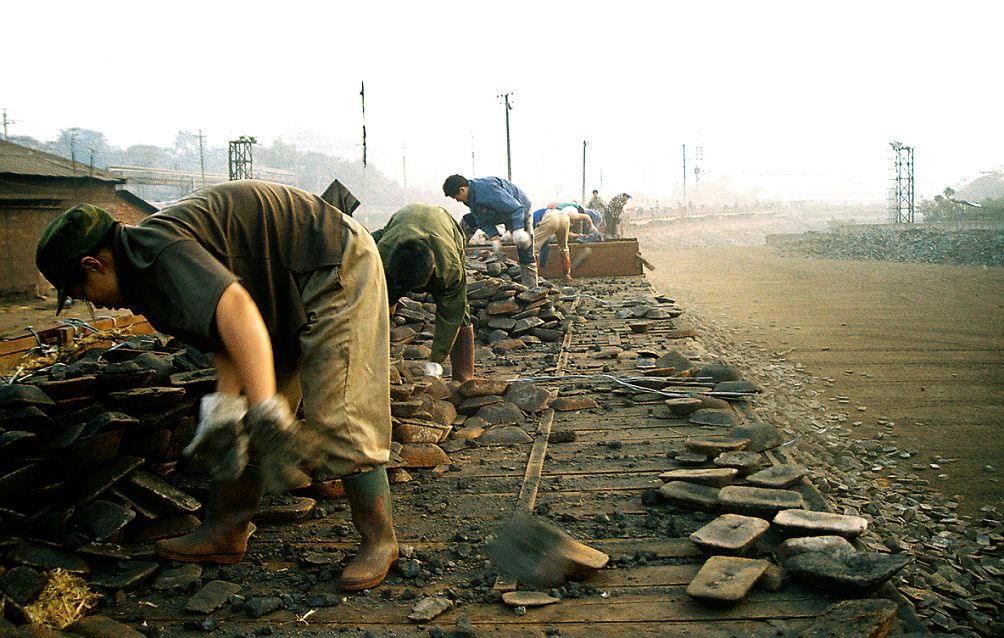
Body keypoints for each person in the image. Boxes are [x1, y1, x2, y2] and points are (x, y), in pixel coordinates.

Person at [35, 180, 399, 592]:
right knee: (241, 415)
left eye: (81, 292)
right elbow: (225, 335)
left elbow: (237, 309)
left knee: (340, 408)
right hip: (278, 287)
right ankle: (225, 530)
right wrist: (227, 408)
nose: (92, 305)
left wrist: (266, 411)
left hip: (330, 261)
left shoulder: (157, 252)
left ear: (93, 265)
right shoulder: (144, 272)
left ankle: (378, 540)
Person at [372, 203, 475, 382]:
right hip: (403, 220)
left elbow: (451, 315)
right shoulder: (382, 253)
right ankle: (374, 368)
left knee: (460, 310)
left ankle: (464, 376)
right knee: (379, 298)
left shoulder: (450, 269)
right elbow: (371, 302)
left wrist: (436, 360)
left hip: (444, 225)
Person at [442, 174, 537, 287]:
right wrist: (494, 236)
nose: (457, 201)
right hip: (498, 212)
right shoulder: (470, 199)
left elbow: (516, 208)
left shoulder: (487, 190)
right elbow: (481, 220)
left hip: (520, 210)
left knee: (524, 248)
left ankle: (532, 291)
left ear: (462, 190)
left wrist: (518, 229)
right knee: (466, 222)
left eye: (455, 197)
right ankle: (454, 261)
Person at [533, 205, 600, 282]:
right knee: (564, 248)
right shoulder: (545, 211)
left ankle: (534, 277)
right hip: (564, 218)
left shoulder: (532, 217)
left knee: (534, 248)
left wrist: (542, 261)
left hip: (551, 219)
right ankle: (567, 275)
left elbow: (539, 241)